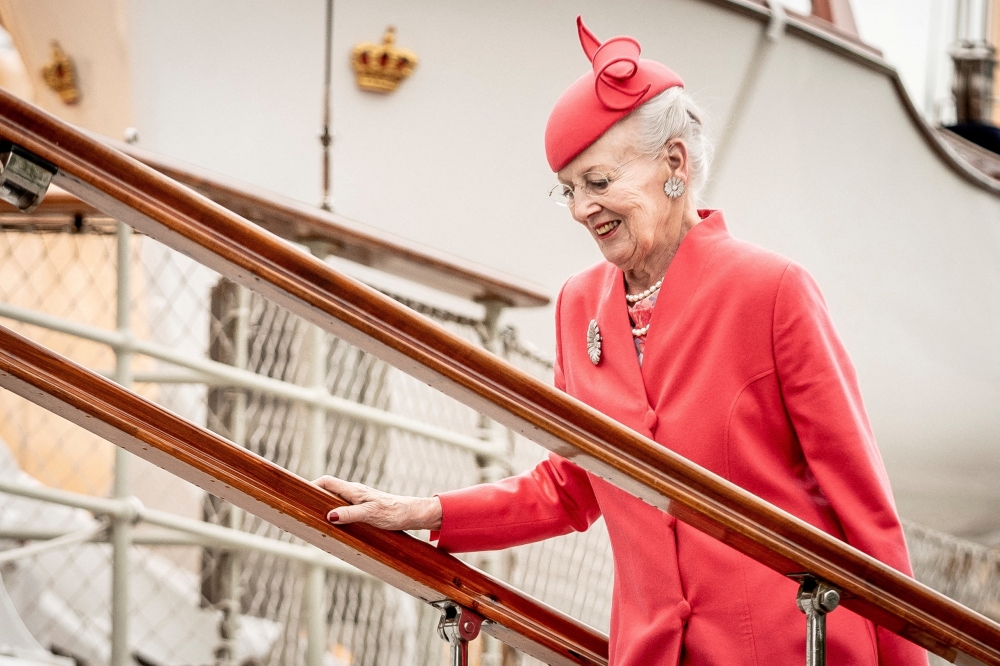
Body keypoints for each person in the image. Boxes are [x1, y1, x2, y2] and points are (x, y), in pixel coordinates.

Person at [315, 16, 927, 666]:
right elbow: (573, 486)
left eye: (600, 182)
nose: (583, 208)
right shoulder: (580, 305)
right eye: (569, 189)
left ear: (674, 164)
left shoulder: (773, 290)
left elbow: (862, 505)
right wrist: (429, 511)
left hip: (789, 647)